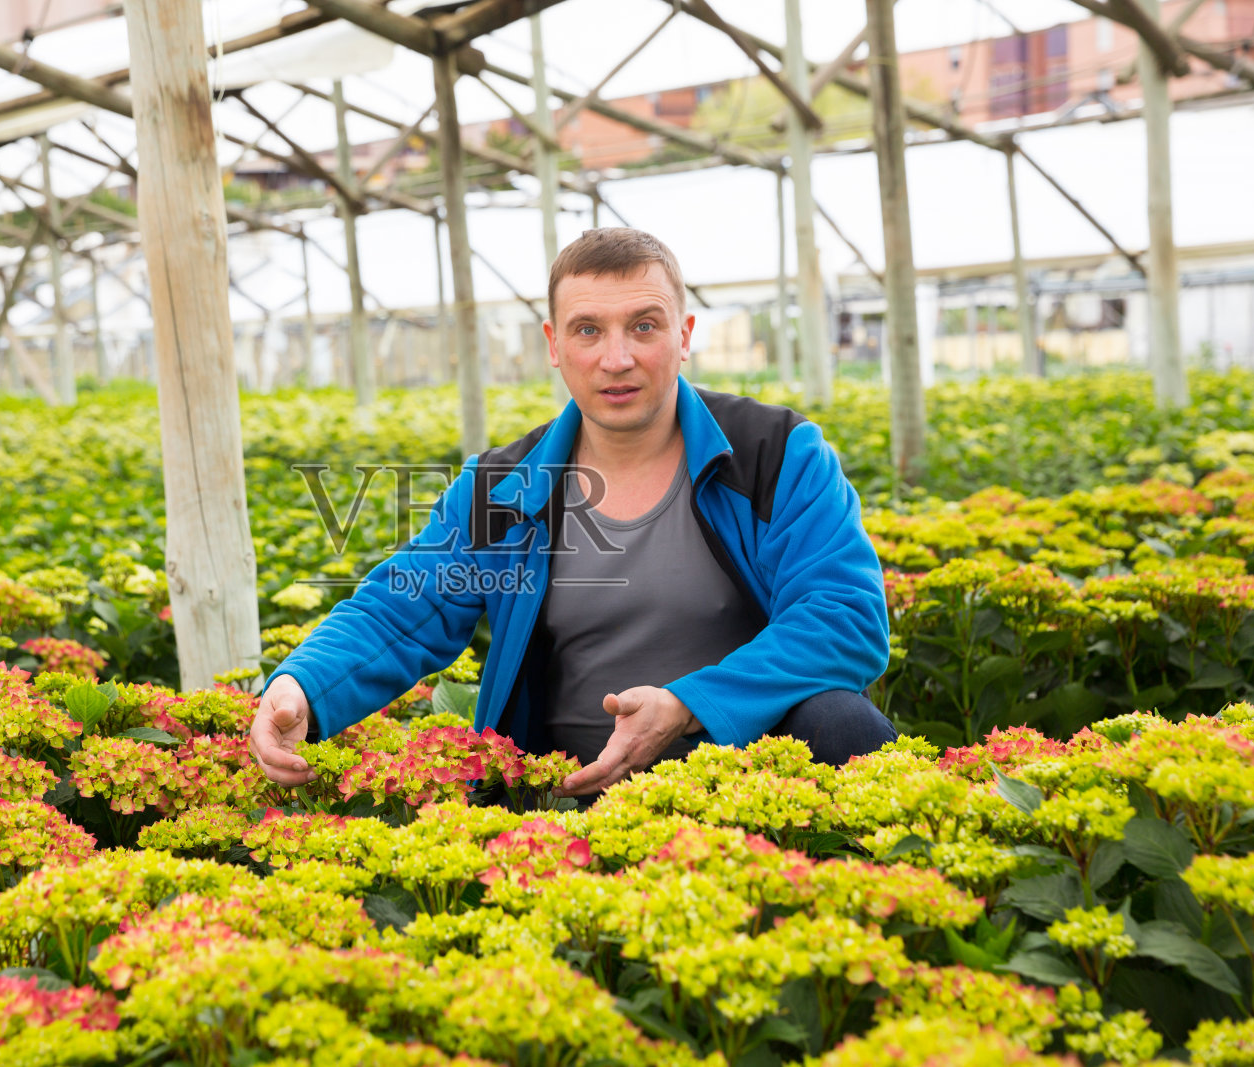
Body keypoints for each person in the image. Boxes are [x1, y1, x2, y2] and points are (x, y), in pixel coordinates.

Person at [250, 228, 895, 798]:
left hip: (751, 785)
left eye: (644, 325)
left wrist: (687, 705)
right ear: (555, 345)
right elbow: (403, 607)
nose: (617, 359)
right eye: (589, 330)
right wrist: (301, 685)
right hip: (569, 798)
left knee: (844, 723)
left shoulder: (775, 455)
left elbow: (845, 616)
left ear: (684, 335)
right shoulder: (502, 486)